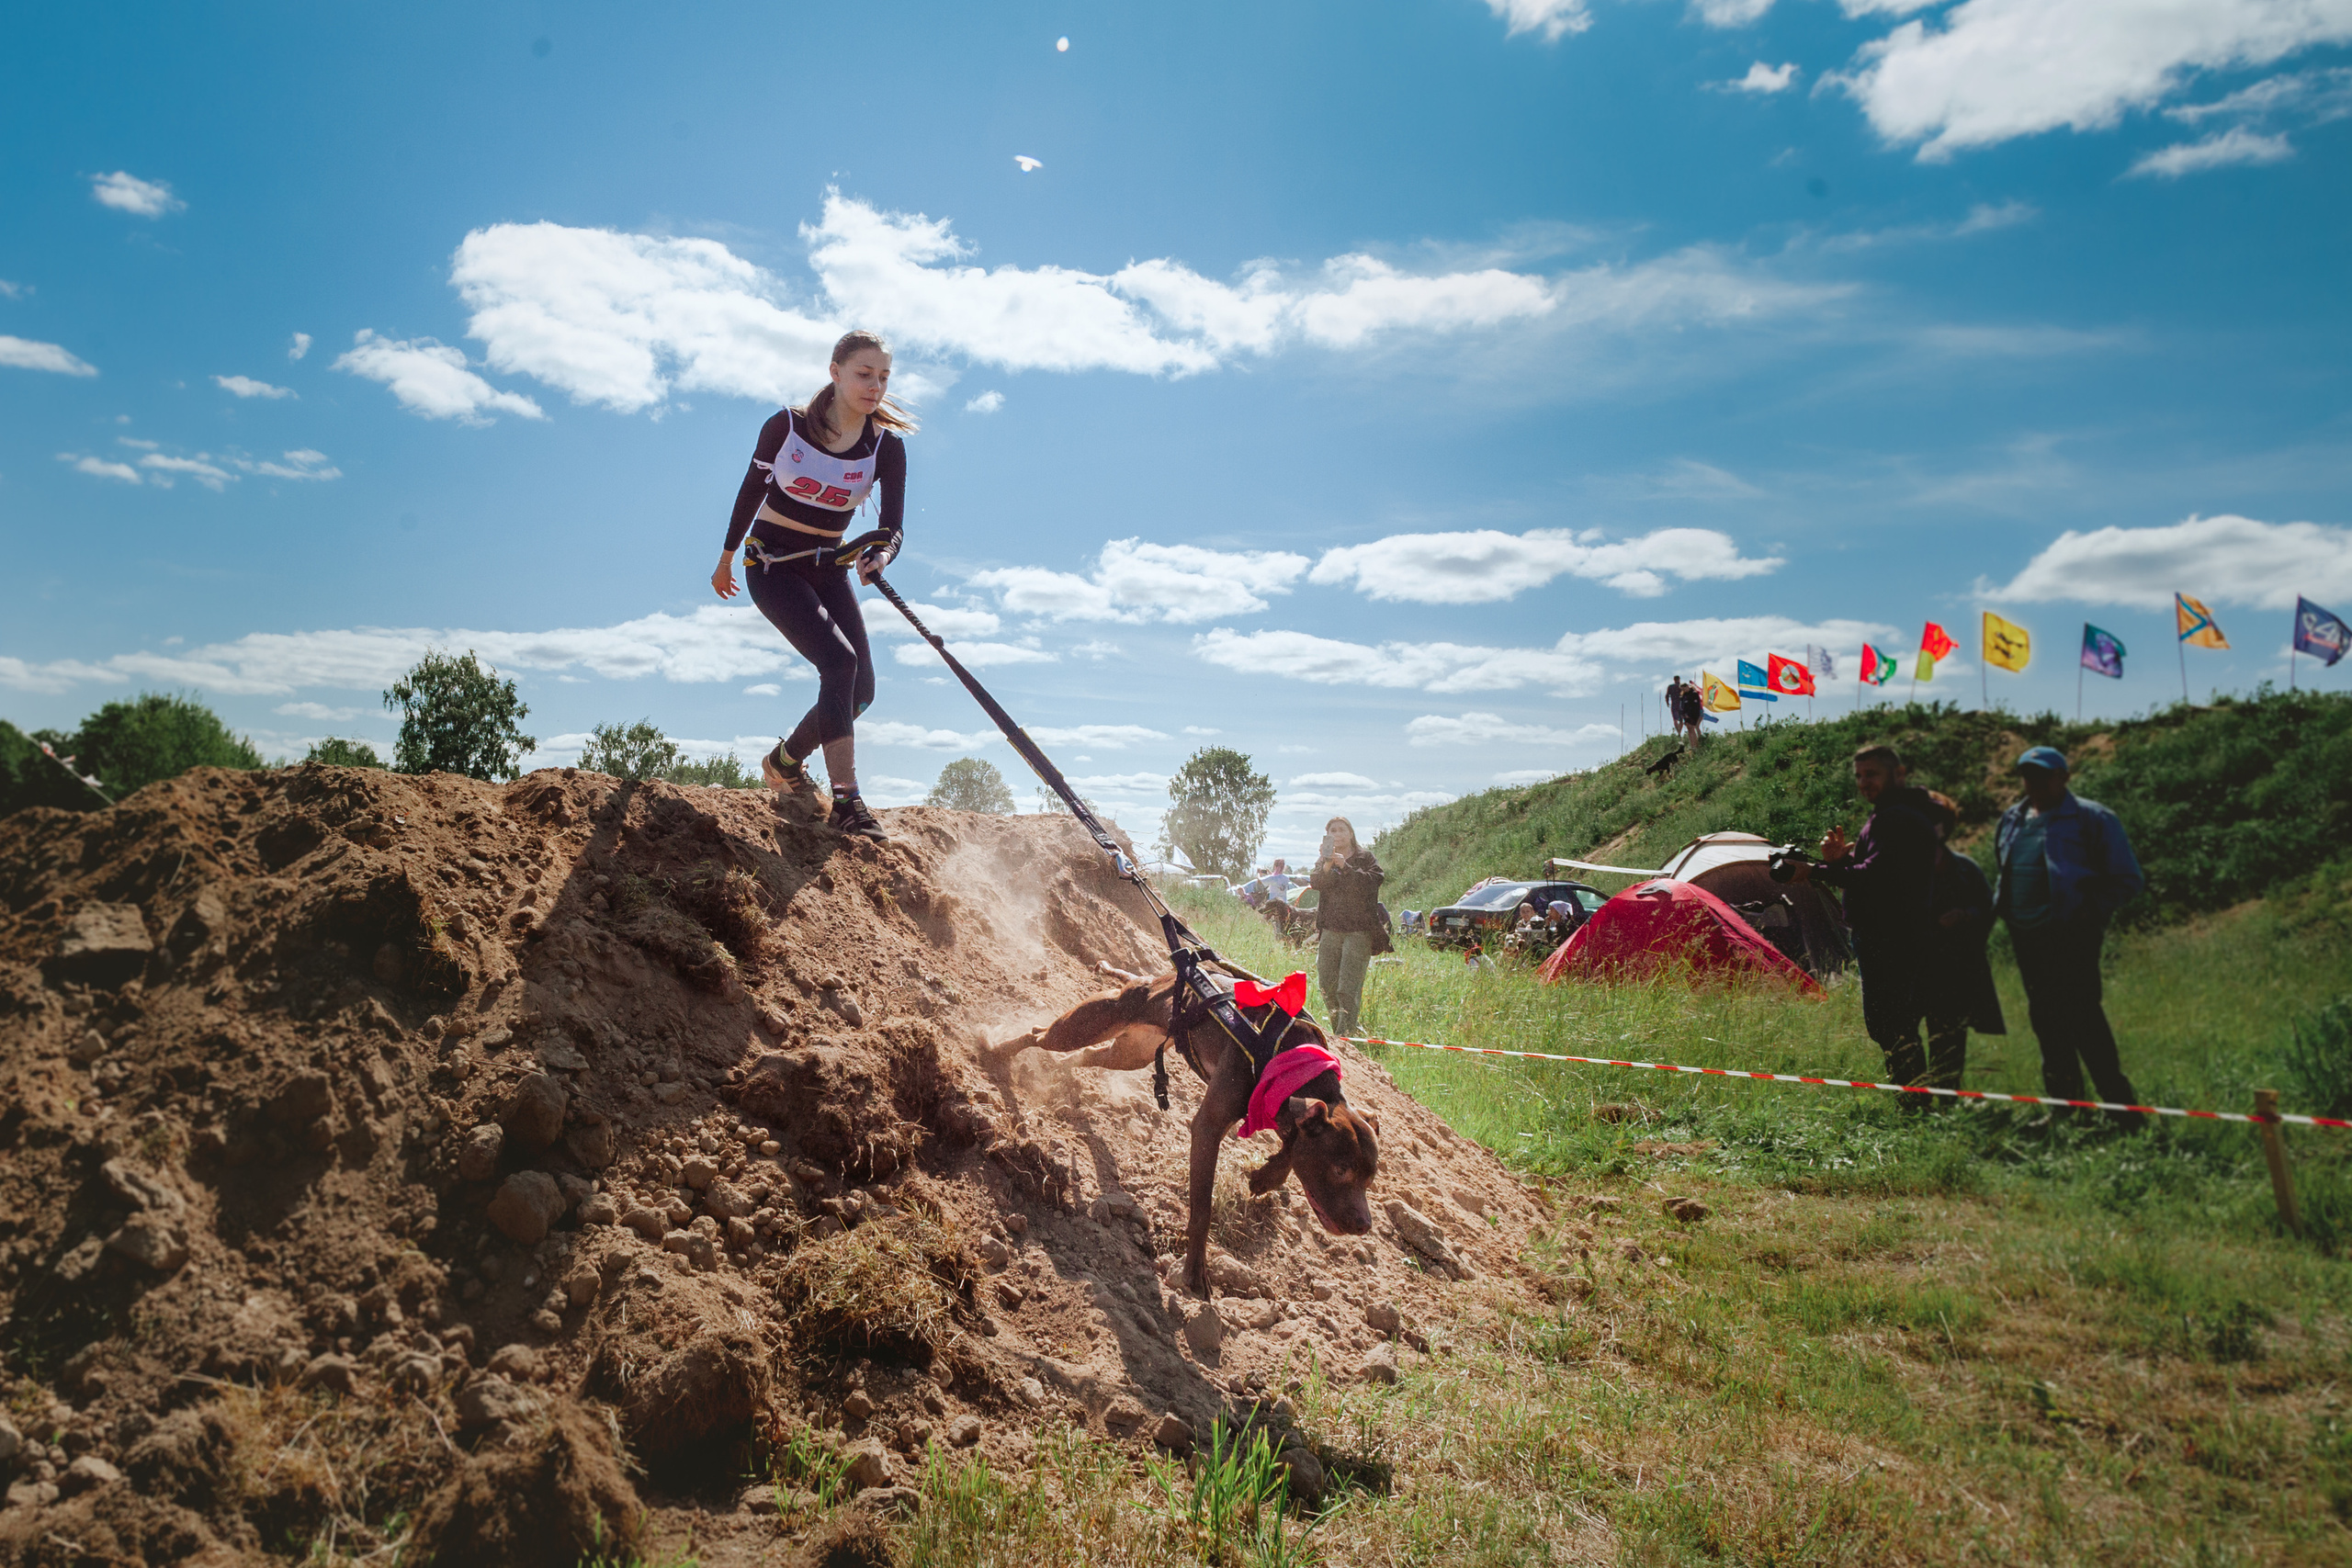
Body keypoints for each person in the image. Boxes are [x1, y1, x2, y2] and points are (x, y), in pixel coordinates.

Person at [711, 328, 913, 841]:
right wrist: (727, 558)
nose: (875, 386)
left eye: (883, 377)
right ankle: (847, 803)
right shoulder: (787, 427)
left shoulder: (886, 448)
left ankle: (783, 762)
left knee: (861, 689)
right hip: (772, 565)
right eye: (864, 374)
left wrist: (880, 555)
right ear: (836, 372)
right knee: (838, 662)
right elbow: (751, 490)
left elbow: (892, 527)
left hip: (829, 567)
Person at [1994, 746, 2146, 1122]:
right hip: (2027, 939)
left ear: (2063, 776)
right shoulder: (2013, 818)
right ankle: (2066, 1110)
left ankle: (2122, 1113)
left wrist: (2085, 914)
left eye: (2044, 775)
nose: (2035, 783)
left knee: (2084, 1021)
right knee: (2046, 1022)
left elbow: (2127, 880)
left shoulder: (2092, 818)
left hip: (2071, 938)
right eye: (2028, 775)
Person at [1794, 745, 1939, 1095]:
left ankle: (1915, 1102)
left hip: (1892, 937)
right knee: (1889, 1023)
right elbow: (1872, 869)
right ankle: (1913, 1095)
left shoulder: (1898, 817)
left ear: (1898, 774)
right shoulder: (1886, 815)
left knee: (1892, 1023)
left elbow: (1876, 875)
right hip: (1883, 934)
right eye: (1859, 776)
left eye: (1871, 774)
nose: (1863, 782)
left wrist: (1816, 870)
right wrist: (1837, 861)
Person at [1918, 791, 2005, 1093]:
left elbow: (1988, 908)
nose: (1929, 827)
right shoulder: (1899, 868)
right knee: (1903, 1037)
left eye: (1936, 820)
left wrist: (1966, 915)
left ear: (1946, 826)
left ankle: (1946, 1100)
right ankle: (1913, 1102)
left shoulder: (1965, 868)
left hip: (1953, 968)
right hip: (1911, 966)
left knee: (1949, 1039)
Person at [1309, 818, 1385, 1038]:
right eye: (1332, 830)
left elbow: (1374, 882)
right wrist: (1327, 865)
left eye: (1342, 829)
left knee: (1348, 986)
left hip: (1358, 930)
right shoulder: (1324, 859)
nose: (1338, 833)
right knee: (1327, 983)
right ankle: (1340, 1030)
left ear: (1351, 834)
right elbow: (1315, 883)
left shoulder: (1365, 858)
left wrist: (1346, 866)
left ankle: (1345, 1036)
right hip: (1331, 929)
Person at [1679, 681, 1705, 745]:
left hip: (1694, 714)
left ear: (1687, 686)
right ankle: (1692, 745)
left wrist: (1690, 715)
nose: (1684, 690)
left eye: (1684, 688)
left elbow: (1696, 706)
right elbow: (1683, 706)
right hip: (1686, 715)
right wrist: (1683, 714)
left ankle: (1696, 745)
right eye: (1682, 689)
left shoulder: (1694, 694)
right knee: (1689, 728)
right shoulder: (1684, 696)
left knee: (1693, 727)